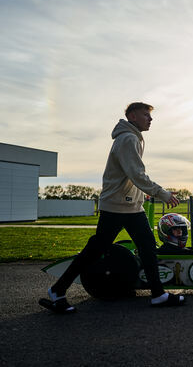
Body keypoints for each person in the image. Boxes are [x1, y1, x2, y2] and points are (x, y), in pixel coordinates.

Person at [41, 102, 184, 313]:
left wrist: (138, 192)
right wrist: (162, 193)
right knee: (98, 250)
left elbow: (129, 175)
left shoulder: (130, 138)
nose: (150, 119)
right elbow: (137, 173)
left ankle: (157, 294)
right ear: (133, 117)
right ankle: (58, 290)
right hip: (119, 207)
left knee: (143, 246)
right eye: (146, 115)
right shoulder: (128, 139)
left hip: (128, 205)